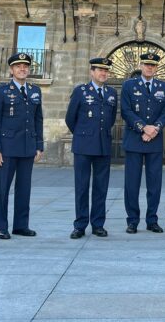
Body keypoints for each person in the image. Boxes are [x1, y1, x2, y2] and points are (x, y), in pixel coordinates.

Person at [0, 52, 43, 239]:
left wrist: (39, 145)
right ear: (11, 69)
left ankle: (21, 225)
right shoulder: (1, 91)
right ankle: (1, 226)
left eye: (25, 66)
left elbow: (38, 119)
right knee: (4, 188)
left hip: (28, 147)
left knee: (24, 188)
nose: (22, 69)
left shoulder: (35, 90)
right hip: (8, 147)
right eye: (18, 66)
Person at [66, 57, 117, 239]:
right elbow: (70, 119)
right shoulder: (80, 91)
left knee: (101, 187)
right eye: (100, 70)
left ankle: (98, 224)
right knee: (82, 186)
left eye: (106, 70)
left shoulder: (111, 93)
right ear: (92, 72)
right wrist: (83, 134)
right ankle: (80, 225)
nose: (103, 73)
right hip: (83, 146)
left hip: (103, 146)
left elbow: (110, 120)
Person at [120, 52, 165, 233]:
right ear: (142, 66)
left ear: (156, 68)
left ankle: (152, 220)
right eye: (147, 64)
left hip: (154, 141)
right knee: (132, 184)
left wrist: (154, 129)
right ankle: (132, 221)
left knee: (154, 184)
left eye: (153, 65)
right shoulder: (129, 85)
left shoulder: (163, 87)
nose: (150, 67)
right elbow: (125, 110)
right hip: (134, 140)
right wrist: (143, 127)